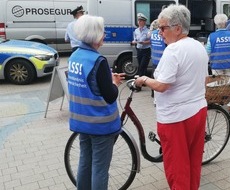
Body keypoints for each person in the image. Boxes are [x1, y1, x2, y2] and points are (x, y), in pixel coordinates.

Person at [135, 4, 208, 190]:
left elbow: (162, 85)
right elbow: (205, 79)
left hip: (176, 117)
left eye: (162, 27)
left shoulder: (173, 50)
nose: (159, 32)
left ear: (177, 28)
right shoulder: (198, 47)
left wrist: (144, 79)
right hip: (198, 111)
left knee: (177, 167)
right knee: (193, 162)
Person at [67, 15, 125, 190]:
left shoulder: (74, 56)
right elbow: (109, 96)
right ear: (95, 35)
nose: (104, 35)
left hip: (81, 122)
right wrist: (114, 83)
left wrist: (106, 80)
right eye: (102, 32)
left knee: (85, 162)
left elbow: (88, 84)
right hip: (100, 124)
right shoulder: (98, 61)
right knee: (100, 168)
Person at [206, 14, 230, 112]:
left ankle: (218, 105)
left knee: (218, 85)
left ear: (216, 24)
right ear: (225, 23)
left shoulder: (211, 36)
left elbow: (208, 51)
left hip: (216, 65)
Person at [131, 13, 151, 91]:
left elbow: (150, 41)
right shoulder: (136, 31)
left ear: (144, 22)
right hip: (139, 50)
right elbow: (135, 39)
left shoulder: (148, 31)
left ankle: (138, 87)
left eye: (141, 20)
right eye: (138, 20)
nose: (139, 22)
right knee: (142, 67)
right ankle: (143, 82)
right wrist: (134, 42)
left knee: (141, 68)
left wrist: (143, 42)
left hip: (146, 51)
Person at [149, 19, 166, 98]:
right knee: (161, 79)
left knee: (154, 77)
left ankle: (153, 93)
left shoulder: (153, 34)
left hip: (154, 60)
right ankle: (158, 95)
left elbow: (151, 45)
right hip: (162, 61)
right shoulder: (163, 34)